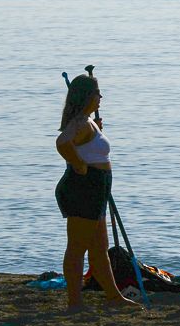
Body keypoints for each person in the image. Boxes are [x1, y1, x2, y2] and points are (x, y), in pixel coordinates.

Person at [54, 73, 139, 312]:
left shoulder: (86, 122)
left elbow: (85, 144)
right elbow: (62, 142)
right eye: (97, 92)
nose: (100, 97)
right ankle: (74, 302)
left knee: (100, 248)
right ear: (87, 96)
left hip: (95, 189)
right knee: (77, 247)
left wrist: (95, 131)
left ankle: (113, 296)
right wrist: (78, 165)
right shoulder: (80, 122)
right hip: (83, 189)